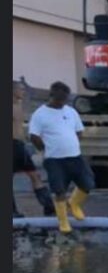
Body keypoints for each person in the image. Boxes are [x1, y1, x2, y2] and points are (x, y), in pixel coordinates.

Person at [28, 81, 95, 233]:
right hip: (54, 160)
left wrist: (71, 143)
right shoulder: (40, 114)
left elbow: (79, 131)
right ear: (51, 97)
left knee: (88, 183)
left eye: (63, 100)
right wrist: (44, 148)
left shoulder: (71, 111)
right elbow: (34, 136)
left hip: (75, 156)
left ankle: (74, 204)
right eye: (58, 100)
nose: (60, 104)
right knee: (59, 190)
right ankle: (63, 222)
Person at [13, 82, 55, 218]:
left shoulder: (18, 105)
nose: (23, 92)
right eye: (21, 89)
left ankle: (49, 206)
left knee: (35, 175)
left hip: (20, 146)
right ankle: (13, 212)